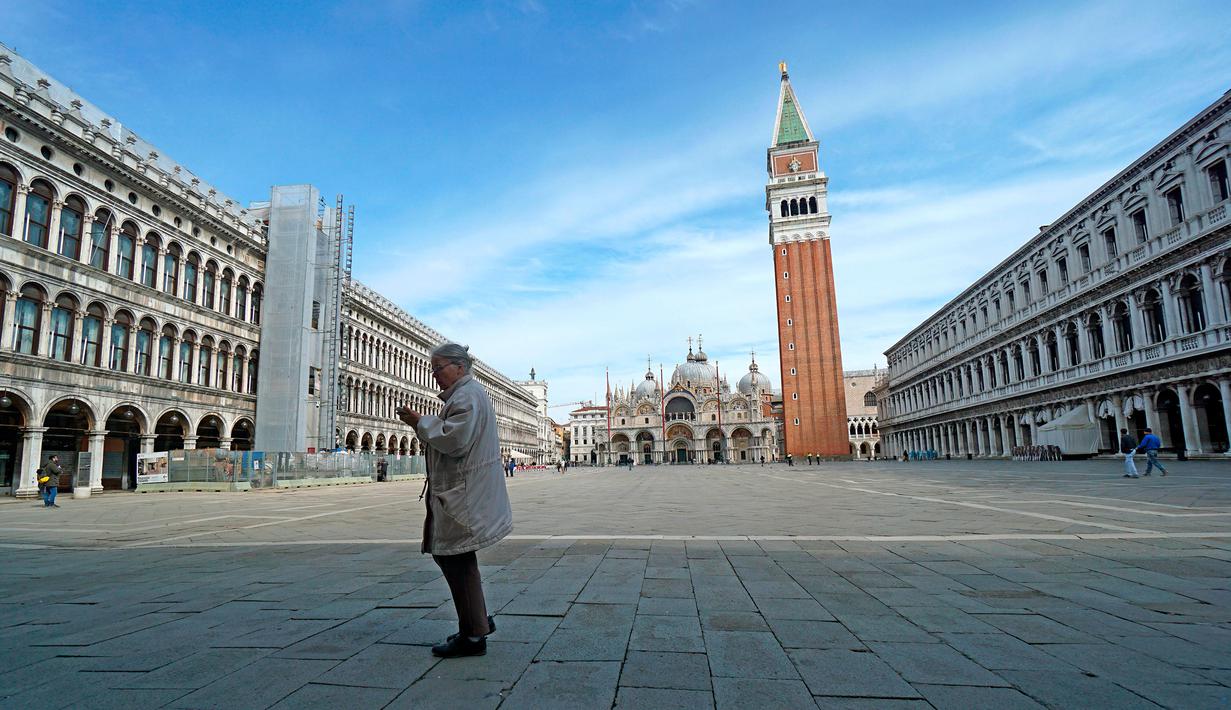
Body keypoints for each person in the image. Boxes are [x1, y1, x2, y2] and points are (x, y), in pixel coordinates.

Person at [397, 343, 510, 658]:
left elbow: (454, 439)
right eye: (432, 369)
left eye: (439, 368)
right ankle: (475, 621)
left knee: (455, 559)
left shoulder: (466, 396)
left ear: (461, 367)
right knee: (455, 558)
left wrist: (418, 421)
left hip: (465, 493)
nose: (435, 376)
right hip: (463, 490)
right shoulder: (468, 395)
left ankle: (474, 634)